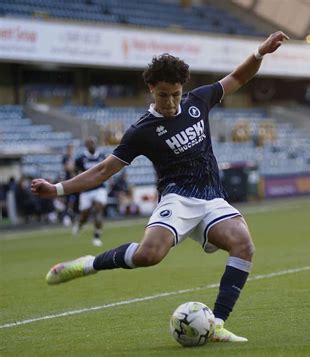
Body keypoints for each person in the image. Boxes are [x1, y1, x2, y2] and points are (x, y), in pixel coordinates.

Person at [31, 31, 289, 342]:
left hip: (212, 199)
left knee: (244, 246)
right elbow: (102, 171)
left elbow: (239, 76)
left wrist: (260, 53)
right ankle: (88, 264)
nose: (170, 102)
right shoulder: (142, 131)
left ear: (183, 89)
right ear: (152, 89)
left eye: (176, 94)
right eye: (163, 95)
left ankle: (216, 324)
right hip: (177, 200)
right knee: (148, 255)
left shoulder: (199, 100)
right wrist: (56, 189)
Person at [72, 137, 107, 247]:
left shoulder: (102, 156)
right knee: (85, 215)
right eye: (89, 144)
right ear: (86, 146)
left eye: (93, 143)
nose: (92, 145)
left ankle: (97, 236)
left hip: (99, 188)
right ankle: (80, 223)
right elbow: (76, 172)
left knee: (98, 208)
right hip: (86, 189)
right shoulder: (81, 158)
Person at [62, 143, 79, 226]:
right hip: (68, 181)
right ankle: (66, 217)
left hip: (74, 181)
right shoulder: (66, 158)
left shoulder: (73, 158)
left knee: (76, 199)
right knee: (68, 200)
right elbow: (68, 168)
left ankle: (75, 215)